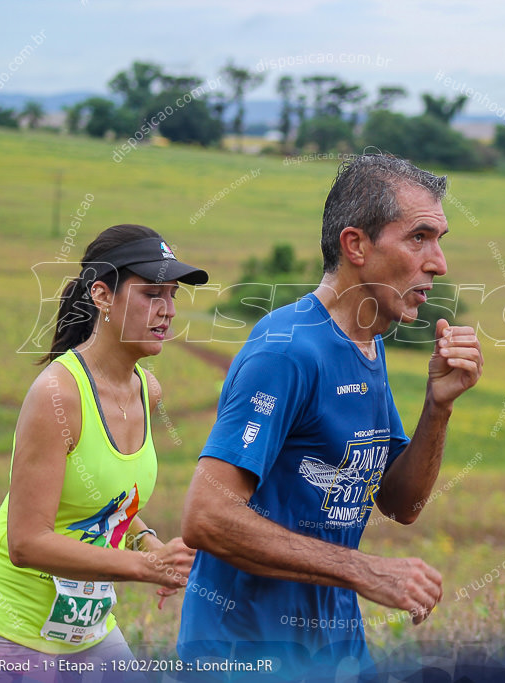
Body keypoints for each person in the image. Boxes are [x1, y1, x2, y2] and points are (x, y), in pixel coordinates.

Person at [177, 154, 484, 678]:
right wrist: (364, 570)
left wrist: (438, 407)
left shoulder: (366, 343)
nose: (438, 262)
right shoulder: (288, 350)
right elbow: (206, 517)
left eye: (440, 239)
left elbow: (399, 501)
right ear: (356, 245)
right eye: (419, 238)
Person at [0, 224, 207, 678]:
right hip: (5, 628)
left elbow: (107, 501)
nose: (167, 311)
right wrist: (143, 566)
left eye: (172, 296)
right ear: (102, 296)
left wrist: (146, 539)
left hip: (86, 631)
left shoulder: (149, 392)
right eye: (151, 294)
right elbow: (26, 542)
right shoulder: (58, 395)